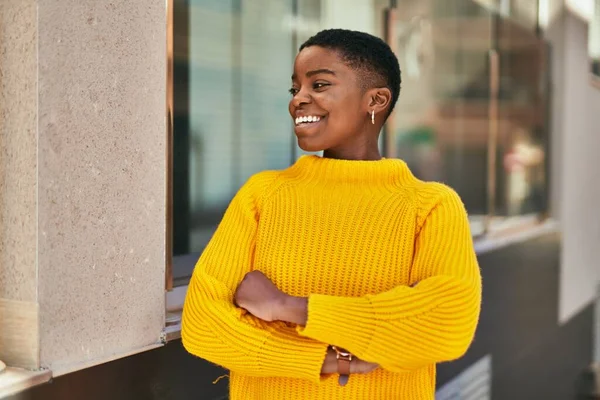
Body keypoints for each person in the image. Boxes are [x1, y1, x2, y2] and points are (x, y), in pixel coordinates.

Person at [182, 29, 482, 400]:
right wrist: (327, 359)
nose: (298, 101)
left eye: (319, 84)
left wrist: (288, 307)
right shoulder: (263, 194)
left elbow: (445, 323)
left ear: (375, 100)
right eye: (295, 90)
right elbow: (203, 324)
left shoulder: (430, 205)